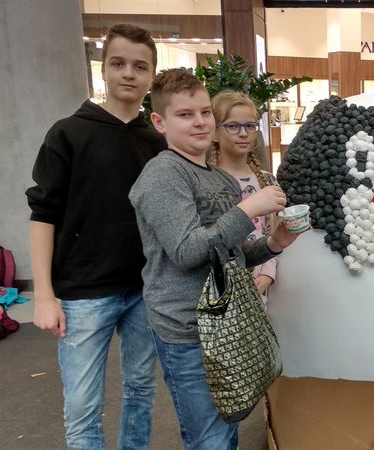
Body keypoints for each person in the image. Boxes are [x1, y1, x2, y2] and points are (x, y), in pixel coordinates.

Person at [129, 68, 302, 449]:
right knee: (209, 437)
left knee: (225, 427)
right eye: (185, 114)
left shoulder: (218, 179)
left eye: (205, 112)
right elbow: (188, 251)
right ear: (159, 122)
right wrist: (248, 209)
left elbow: (230, 255)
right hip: (188, 329)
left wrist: (274, 244)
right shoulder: (162, 175)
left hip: (228, 322)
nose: (200, 122)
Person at [26, 23, 164, 450]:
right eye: (118, 63)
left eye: (140, 66)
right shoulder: (68, 133)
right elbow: (43, 215)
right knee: (83, 407)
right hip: (83, 293)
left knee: (141, 390)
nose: (129, 73)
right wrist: (43, 296)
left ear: (151, 75)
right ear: (103, 69)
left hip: (144, 290)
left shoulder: (158, 142)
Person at [212, 91, 279, 308]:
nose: (243, 134)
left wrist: (268, 272)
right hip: (222, 288)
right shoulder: (207, 182)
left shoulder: (267, 180)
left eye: (250, 126)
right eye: (232, 126)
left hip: (262, 286)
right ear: (214, 132)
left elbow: (275, 232)